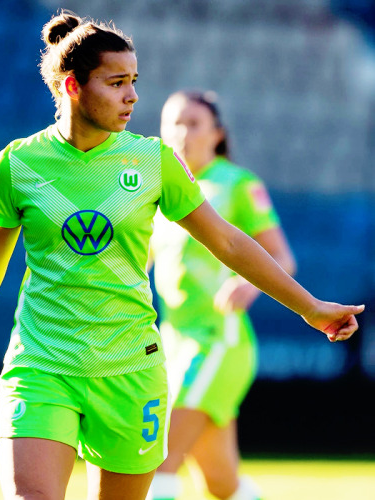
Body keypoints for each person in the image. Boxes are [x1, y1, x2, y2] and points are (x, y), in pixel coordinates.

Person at [0, 10, 363, 500]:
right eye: (116, 83)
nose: (132, 96)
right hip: (42, 366)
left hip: (132, 371)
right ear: (72, 86)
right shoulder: (18, 164)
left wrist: (311, 307)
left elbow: (229, 242)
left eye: (133, 81)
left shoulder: (154, 161)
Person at [148, 90, 296, 500]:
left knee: (157, 459)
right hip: (174, 341)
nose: (181, 133)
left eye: (193, 123)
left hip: (218, 342)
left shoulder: (236, 184)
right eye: (172, 124)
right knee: (221, 484)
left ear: (217, 134)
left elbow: (283, 256)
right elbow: (141, 262)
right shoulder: (159, 192)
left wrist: (249, 284)